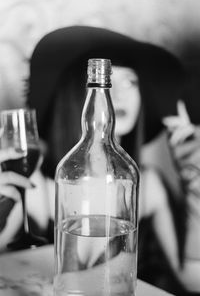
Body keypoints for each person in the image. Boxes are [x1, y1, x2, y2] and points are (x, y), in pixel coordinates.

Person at [0, 26, 199, 295]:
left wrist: (194, 180)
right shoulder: (38, 183)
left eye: (131, 82)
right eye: (109, 83)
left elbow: (191, 280)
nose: (120, 94)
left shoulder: (147, 182)